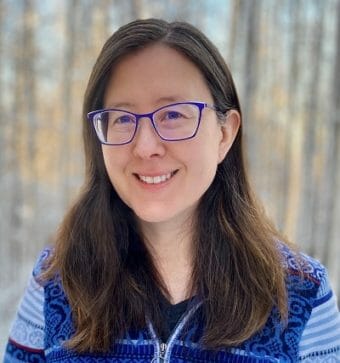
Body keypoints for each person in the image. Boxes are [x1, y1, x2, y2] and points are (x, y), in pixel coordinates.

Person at [3, 18, 340, 363]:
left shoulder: (301, 294)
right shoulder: (57, 280)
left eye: (174, 115)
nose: (146, 146)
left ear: (225, 134)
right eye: (122, 118)